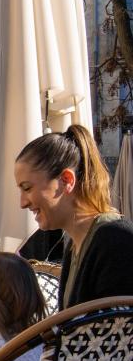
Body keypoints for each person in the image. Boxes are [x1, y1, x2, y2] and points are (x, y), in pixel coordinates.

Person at [14, 124, 133, 310]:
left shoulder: (115, 241)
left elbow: (115, 333)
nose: (22, 203)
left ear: (66, 181)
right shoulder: (76, 246)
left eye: (27, 188)